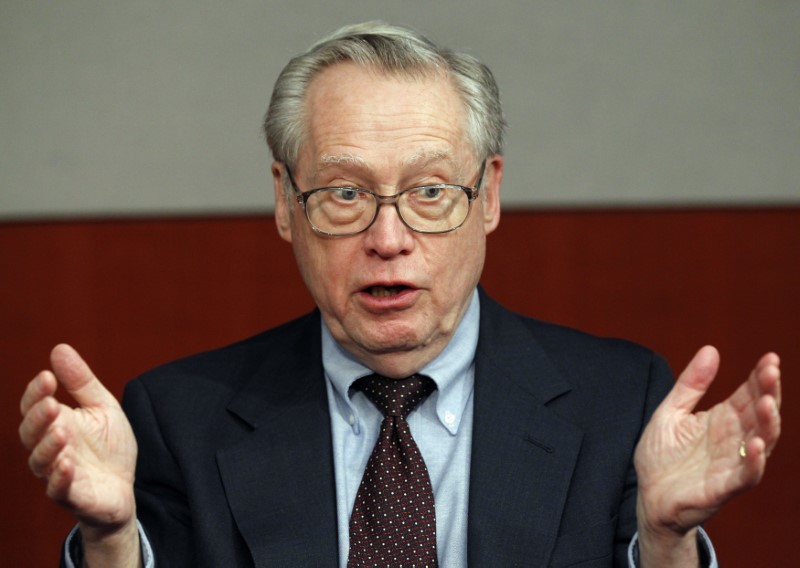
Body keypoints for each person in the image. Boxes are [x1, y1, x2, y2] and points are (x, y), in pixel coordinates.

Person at [19, 22, 781, 568]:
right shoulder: (179, 417)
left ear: (489, 197)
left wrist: (667, 546)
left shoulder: (621, 404)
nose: (389, 237)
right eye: (347, 193)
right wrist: (113, 542)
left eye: (430, 191)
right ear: (286, 203)